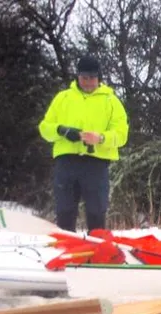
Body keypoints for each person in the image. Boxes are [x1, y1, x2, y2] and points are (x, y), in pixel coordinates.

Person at [38, 55, 129, 231]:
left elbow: (122, 135)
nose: (88, 82)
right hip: (66, 163)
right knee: (64, 212)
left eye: (92, 78)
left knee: (96, 213)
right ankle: (66, 252)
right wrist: (62, 131)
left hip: (96, 163)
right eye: (84, 78)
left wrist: (101, 138)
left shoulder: (111, 101)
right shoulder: (62, 98)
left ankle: (98, 252)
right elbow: (44, 128)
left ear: (99, 77)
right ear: (77, 77)